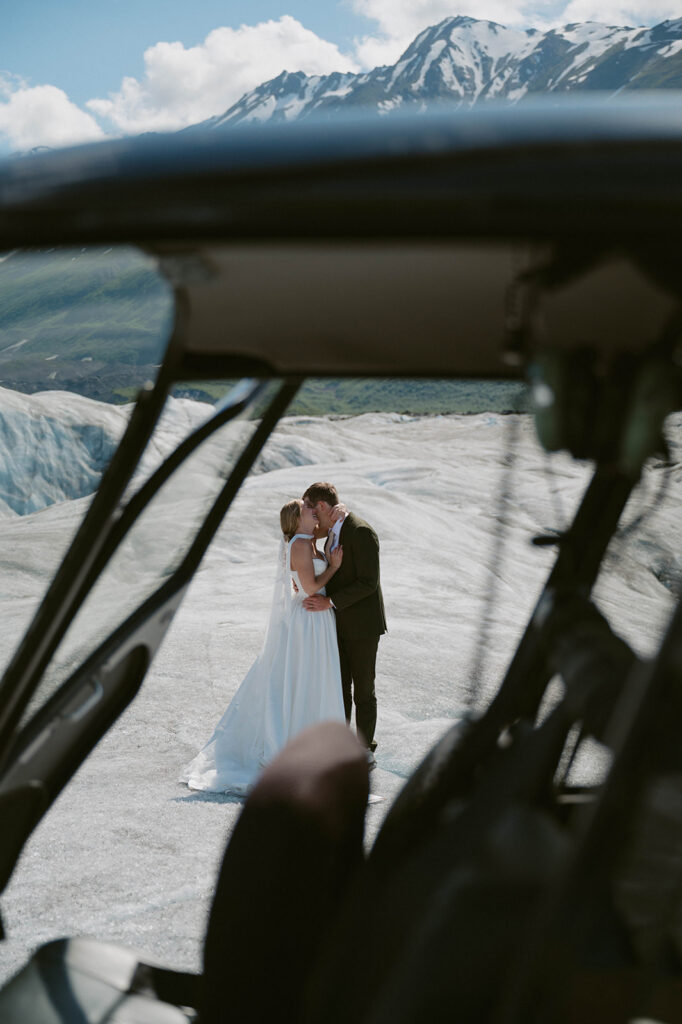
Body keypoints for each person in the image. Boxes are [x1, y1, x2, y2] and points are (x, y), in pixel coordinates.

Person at [180, 498, 346, 794]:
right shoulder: (299, 544)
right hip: (308, 618)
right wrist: (333, 567)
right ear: (297, 518)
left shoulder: (306, 541)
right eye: (307, 508)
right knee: (304, 679)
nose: (312, 510)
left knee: (310, 679)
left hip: (316, 618)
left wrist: (338, 519)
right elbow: (310, 587)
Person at [302, 482, 386, 764]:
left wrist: (330, 602)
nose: (311, 517)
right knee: (339, 690)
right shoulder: (329, 532)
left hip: (363, 627)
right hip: (335, 626)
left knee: (363, 690)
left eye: (312, 509)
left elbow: (368, 582)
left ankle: (364, 749)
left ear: (322, 506)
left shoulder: (361, 532)